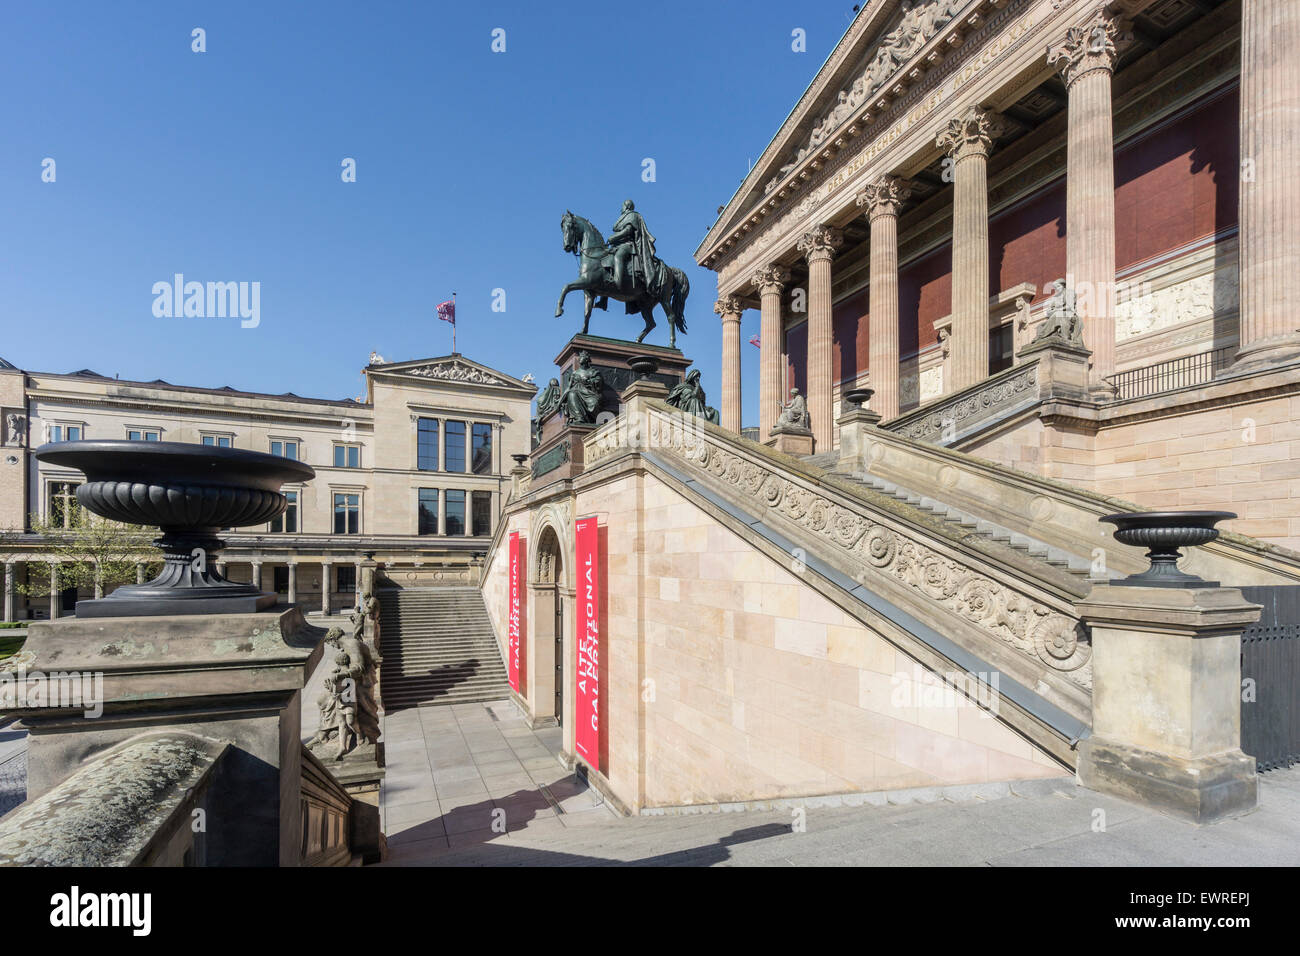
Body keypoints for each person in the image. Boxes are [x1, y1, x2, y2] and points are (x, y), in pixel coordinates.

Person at [607, 199, 657, 291]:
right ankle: (604, 298)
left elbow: (628, 230)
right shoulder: (623, 217)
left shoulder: (632, 215)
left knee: (618, 256)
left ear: (627, 206)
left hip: (628, 245)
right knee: (605, 258)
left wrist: (614, 238)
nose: (621, 208)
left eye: (622, 206)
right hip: (618, 245)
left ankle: (616, 283)